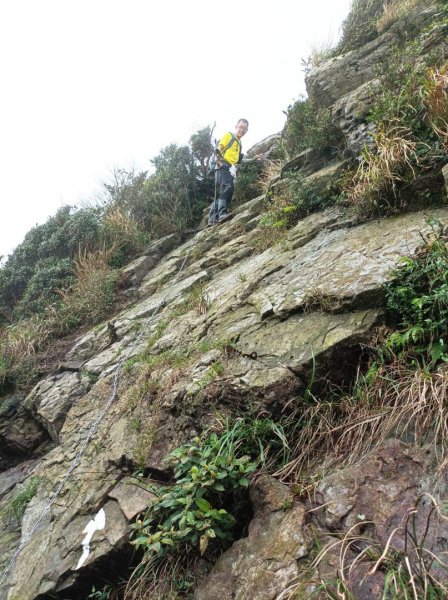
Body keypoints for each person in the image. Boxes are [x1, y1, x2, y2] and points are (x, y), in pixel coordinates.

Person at [208, 118, 249, 226]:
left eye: (244, 129)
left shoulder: (239, 143)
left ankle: (212, 219)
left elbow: (239, 161)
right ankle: (222, 214)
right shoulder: (229, 136)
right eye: (240, 127)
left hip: (229, 168)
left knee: (222, 191)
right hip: (223, 166)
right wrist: (218, 161)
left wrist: (254, 159)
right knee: (228, 188)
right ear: (236, 127)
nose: (242, 130)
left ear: (246, 131)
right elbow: (218, 149)